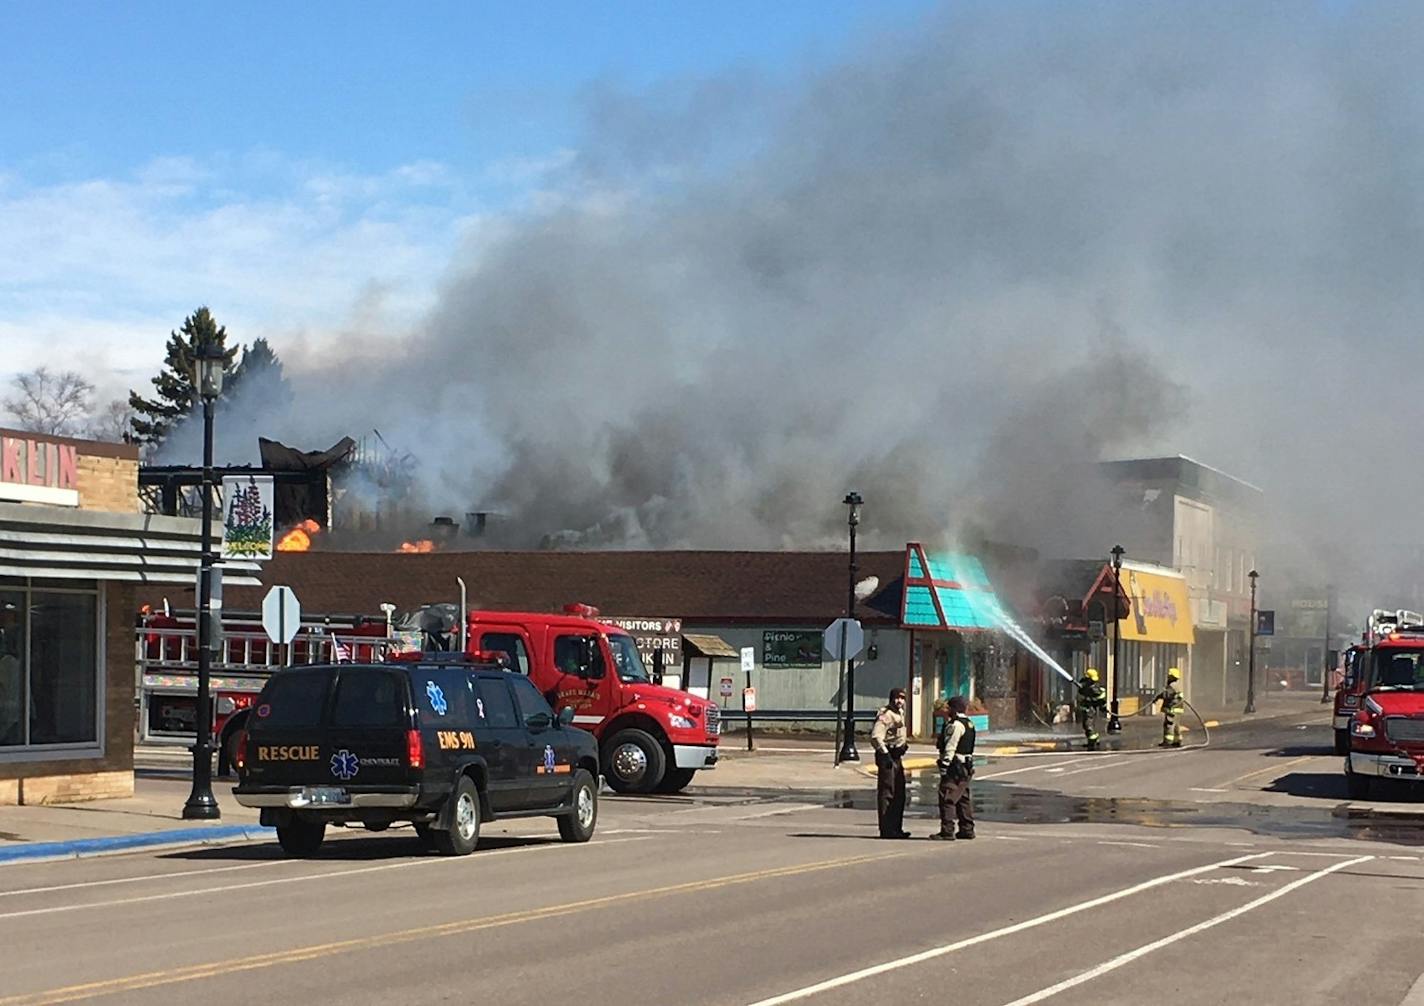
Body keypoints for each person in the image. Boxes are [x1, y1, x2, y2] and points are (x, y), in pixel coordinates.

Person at [930, 695, 976, 841]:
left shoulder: (956, 725)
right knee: (963, 798)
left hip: (955, 766)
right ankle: (967, 829)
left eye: (949, 707)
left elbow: (951, 747)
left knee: (947, 796)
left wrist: (944, 765)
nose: (947, 710)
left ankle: (947, 830)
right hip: (966, 766)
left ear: (954, 709)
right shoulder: (969, 723)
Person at [869, 687, 910, 839]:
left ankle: (896, 828)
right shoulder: (886, 715)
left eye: (902, 698)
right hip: (888, 757)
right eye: (897, 698)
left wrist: (903, 745)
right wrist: (885, 754)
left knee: (899, 793)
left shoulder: (899, 713)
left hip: (897, 756)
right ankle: (887, 829)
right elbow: (876, 736)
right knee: (888, 792)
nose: (900, 701)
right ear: (891, 699)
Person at [1154, 667, 1186, 747]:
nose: (1168, 677)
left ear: (1172, 677)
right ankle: (1177, 740)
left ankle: (1167, 741)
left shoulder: (1172, 686)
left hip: (1171, 709)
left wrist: (1158, 697)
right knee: (1176, 726)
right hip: (1178, 709)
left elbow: (1166, 695)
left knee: (1169, 725)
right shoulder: (1178, 685)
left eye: (1169, 676)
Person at [1077, 668, 1107, 750]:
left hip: (1089, 709)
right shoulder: (1086, 685)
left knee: (1088, 725)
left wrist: (1101, 704)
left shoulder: (1094, 688)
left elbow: (1101, 696)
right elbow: (1081, 691)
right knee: (1087, 725)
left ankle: (1092, 742)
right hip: (1087, 708)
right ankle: (1094, 739)